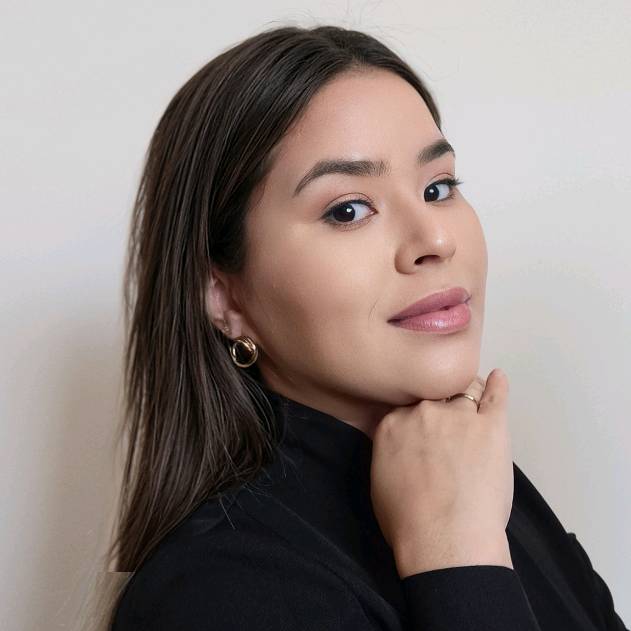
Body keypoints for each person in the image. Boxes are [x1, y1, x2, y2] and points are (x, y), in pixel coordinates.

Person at [103, 24, 628, 630]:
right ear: (223, 295)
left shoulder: (471, 474)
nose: (435, 239)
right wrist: (457, 563)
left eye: (438, 188)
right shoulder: (216, 591)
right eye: (348, 209)